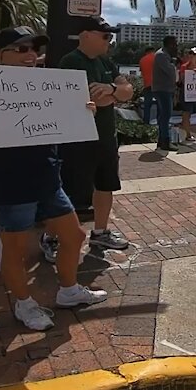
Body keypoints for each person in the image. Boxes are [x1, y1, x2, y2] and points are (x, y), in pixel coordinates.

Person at [0, 27, 108, 331]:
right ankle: (24, 303)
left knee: (74, 236)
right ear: (0, 54)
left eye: (34, 50)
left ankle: (68, 291)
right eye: (22, 49)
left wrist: (82, 114)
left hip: (46, 176)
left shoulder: (48, 86)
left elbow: (64, 127)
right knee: (15, 249)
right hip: (9, 181)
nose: (31, 55)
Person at [53, 17, 134, 259]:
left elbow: (127, 90)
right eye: (104, 36)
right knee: (71, 190)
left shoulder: (106, 61)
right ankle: (54, 237)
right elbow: (84, 99)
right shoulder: (70, 62)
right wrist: (113, 95)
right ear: (86, 35)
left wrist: (111, 90)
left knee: (105, 185)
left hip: (105, 137)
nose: (109, 40)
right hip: (78, 140)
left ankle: (100, 232)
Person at [152, 37, 179, 153]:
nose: (176, 46)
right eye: (175, 44)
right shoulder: (161, 55)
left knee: (163, 116)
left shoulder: (164, 55)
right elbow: (171, 71)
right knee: (165, 115)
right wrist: (174, 64)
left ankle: (161, 140)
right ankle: (165, 142)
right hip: (163, 89)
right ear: (170, 44)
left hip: (165, 89)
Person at [138, 47, 157, 124]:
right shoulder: (156, 58)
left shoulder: (142, 60)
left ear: (146, 52)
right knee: (160, 105)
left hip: (147, 85)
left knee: (147, 105)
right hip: (157, 85)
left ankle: (146, 122)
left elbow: (142, 73)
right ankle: (159, 122)